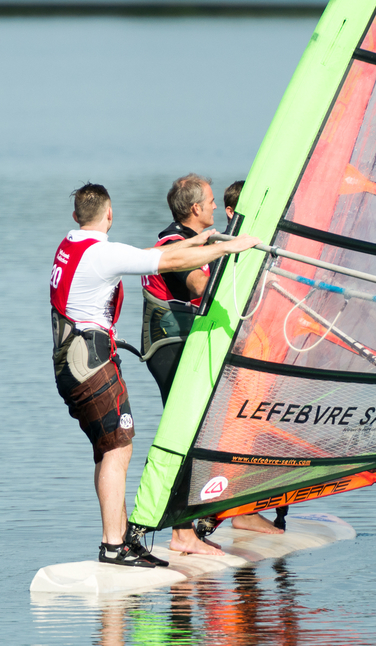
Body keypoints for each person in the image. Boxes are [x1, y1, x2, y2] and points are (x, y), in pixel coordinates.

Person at [50, 182, 258, 567]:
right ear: (109, 214)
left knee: (107, 450)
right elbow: (165, 263)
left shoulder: (71, 245)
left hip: (70, 364)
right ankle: (116, 546)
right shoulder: (102, 254)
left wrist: (202, 240)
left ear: (77, 216)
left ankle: (116, 541)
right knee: (118, 450)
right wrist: (227, 247)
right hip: (92, 366)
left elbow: (148, 254)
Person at [141, 174, 283, 556]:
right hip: (171, 347)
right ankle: (181, 532)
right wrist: (229, 253)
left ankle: (238, 510)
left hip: (191, 346)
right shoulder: (174, 243)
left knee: (232, 427)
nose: (215, 206)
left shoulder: (193, 239)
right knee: (188, 437)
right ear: (194, 209)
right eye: (209, 201)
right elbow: (199, 286)